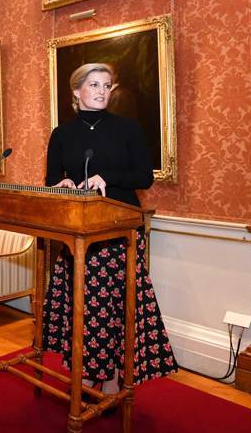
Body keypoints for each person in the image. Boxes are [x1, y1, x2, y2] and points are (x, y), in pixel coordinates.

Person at [43, 62, 177, 396]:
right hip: (80, 231)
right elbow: (49, 180)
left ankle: (115, 376)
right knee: (83, 308)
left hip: (119, 230)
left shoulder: (128, 129)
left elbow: (143, 177)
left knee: (114, 308)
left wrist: (108, 178)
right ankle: (87, 371)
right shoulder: (61, 134)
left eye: (107, 85)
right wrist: (63, 182)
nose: (102, 91)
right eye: (94, 85)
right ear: (76, 91)